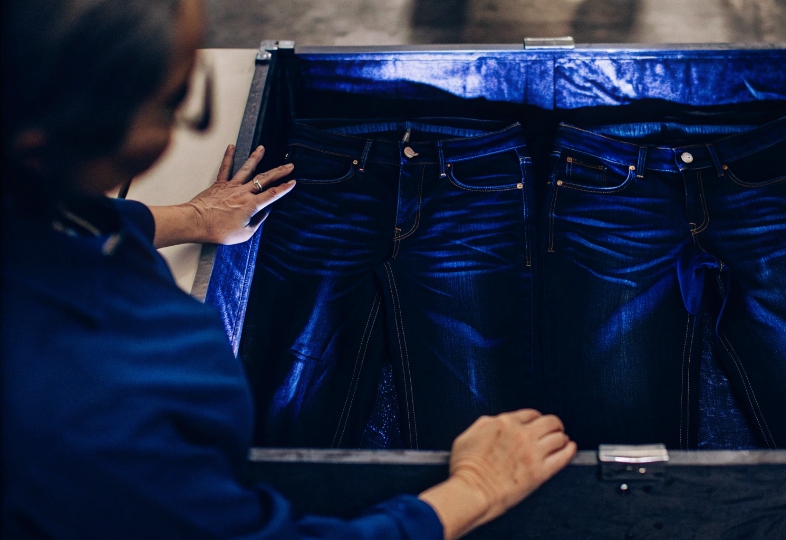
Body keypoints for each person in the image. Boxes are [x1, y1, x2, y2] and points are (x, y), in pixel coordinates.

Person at [0, 0, 577, 538]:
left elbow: (49, 219)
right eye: (176, 101)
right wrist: (476, 489)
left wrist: (187, 218)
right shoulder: (92, 411)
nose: (181, 118)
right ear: (44, 141)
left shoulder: (39, 214)